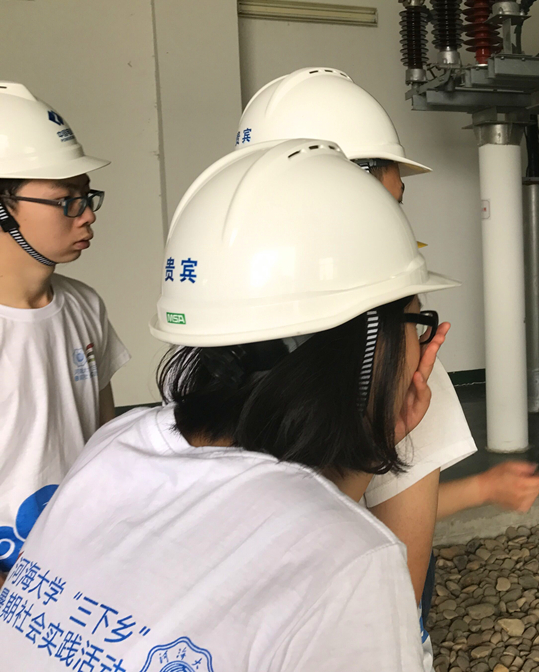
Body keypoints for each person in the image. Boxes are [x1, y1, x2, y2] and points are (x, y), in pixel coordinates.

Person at [0, 138, 453, 670]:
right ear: (367, 341)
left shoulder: (117, 442)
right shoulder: (355, 559)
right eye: (417, 322)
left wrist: (364, 444)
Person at [236, 67, 539, 608]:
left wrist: (482, 488)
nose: (401, 218)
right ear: (352, 186)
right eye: (395, 198)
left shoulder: (216, 349)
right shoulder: (396, 355)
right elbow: (399, 578)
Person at [0, 83, 129, 583]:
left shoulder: (84, 305)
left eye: (86, 195)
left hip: (75, 569)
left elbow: (103, 439)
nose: (88, 214)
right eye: (66, 200)